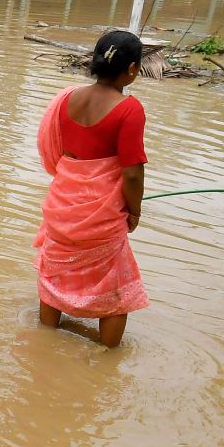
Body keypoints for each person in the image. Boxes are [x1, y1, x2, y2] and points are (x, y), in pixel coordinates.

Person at [34, 29, 150, 349]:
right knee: (115, 287)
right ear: (131, 70)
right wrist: (135, 210)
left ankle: (44, 343)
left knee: (55, 271)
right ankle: (107, 358)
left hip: (63, 202)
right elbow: (132, 173)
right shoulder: (130, 110)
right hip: (101, 212)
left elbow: (58, 151)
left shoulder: (68, 97)